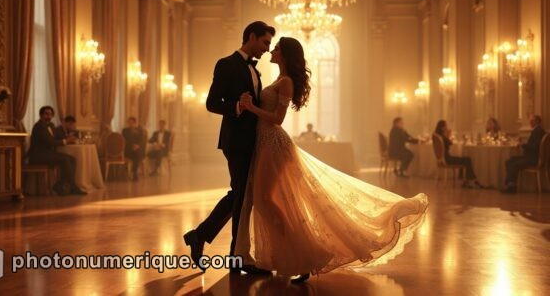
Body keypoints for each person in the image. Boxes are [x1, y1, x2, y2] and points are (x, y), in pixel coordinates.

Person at [234, 37, 428, 283]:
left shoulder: (286, 82)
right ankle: (299, 251)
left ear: (284, 54)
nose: (272, 50)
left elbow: (278, 119)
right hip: (264, 144)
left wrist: (250, 108)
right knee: (266, 201)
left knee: (264, 201)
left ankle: (304, 251)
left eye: (277, 48)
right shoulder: (278, 79)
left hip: (273, 145)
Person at [183, 21, 275, 275]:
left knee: (241, 195)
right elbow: (212, 103)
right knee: (241, 195)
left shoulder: (255, 70)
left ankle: (202, 237)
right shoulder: (226, 64)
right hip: (235, 140)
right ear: (252, 37)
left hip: (252, 141)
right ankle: (237, 258)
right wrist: (237, 106)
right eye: (265, 42)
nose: (267, 49)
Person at [27, 106, 86, 195]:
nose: (48, 116)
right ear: (41, 115)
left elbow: (56, 138)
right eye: (46, 114)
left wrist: (67, 138)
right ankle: (72, 187)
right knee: (65, 159)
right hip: (38, 155)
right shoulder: (39, 127)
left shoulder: (51, 125)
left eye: (50, 114)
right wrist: (66, 141)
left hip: (48, 154)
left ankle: (60, 184)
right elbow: (50, 142)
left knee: (72, 159)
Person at [502, 115, 546, 194]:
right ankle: (509, 184)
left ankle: (511, 187)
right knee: (509, 161)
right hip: (531, 156)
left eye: (533, 120)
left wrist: (522, 145)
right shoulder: (538, 131)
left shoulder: (538, 132)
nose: (530, 122)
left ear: (538, 121)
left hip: (533, 158)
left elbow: (534, 147)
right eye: (530, 120)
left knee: (514, 164)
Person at [434, 120, 481, 188]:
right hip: (448, 160)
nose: (447, 127)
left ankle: (465, 180)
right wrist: (448, 135)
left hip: (444, 159)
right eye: (446, 126)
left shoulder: (437, 136)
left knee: (464, 159)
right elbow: (450, 143)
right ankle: (470, 180)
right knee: (467, 159)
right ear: (442, 128)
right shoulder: (442, 137)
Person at [122, 117, 145, 181]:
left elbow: (142, 141)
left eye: (132, 123)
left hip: (137, 149)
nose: (130, 124)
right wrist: (132, 145)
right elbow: (124, 140)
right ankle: (131, 172)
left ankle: (134, 172)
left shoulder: (140, 130)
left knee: (137, 154)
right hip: (128, 149)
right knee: (136, 154)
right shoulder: (125, 130)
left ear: (135, 123)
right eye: (129, 123)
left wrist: (137, 145)